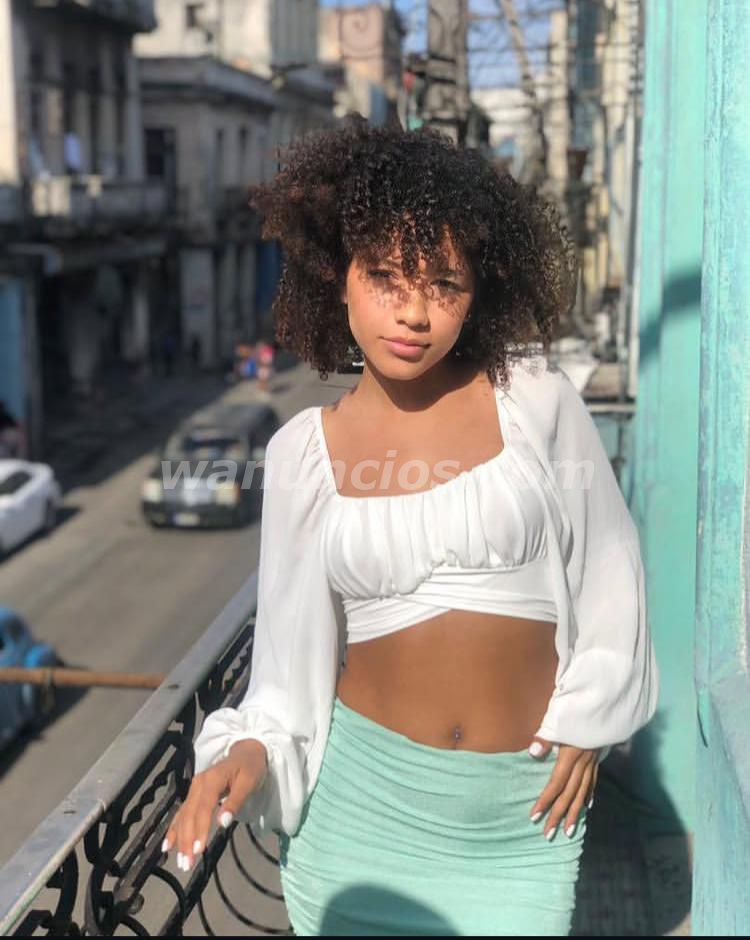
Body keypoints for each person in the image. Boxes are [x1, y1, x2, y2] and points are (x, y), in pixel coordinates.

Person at [162, 118, 659, 936]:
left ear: (480, 290)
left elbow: (610, 566)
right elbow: (285, 665)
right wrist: (246, 753)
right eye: (386, 277)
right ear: (339, 280)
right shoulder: (300, 455)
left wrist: (593, 721)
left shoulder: (536, 403)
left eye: (445, 284)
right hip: (361, 820)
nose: (415, 313)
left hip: (521, 819)